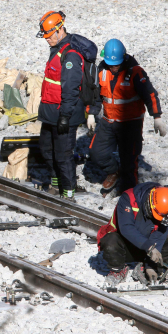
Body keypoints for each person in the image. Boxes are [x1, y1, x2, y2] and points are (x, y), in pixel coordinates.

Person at [89, 39, 167, 194]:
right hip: (108, 120)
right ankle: (113, 171)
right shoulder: (101, 70)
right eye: (111, 64)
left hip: (130, 124)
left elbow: (150, 94)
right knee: (96, 153)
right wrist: (91, 113)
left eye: (116, 64)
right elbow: (95, 95)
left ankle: (129, 196)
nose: (113, 68)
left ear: (123, 58)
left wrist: (156, 117)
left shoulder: (135, 73)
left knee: (129, 163)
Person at [36, 11, 99, 202]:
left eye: (48, 35)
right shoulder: (57, 49)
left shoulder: (70, 55)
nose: (47, 40)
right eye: (45, 36)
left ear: (59, 29)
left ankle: (68, 194)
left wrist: (64, 116)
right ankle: (56, 184)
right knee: (47, 150)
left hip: (64, 114)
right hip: (50, 112)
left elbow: (70, 89)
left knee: (63, 155)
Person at [96, 183, 168, 288]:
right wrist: (149, 247)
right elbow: (126, 228)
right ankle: (118, 270)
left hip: (147, 250)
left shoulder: (165, 209)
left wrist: (150, 265)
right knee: (110, 241)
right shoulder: (128, 199)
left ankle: (143, 267)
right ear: (150, 203)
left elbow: (160, 235)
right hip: (125, 248)